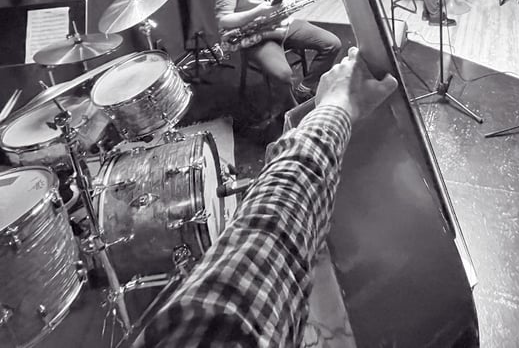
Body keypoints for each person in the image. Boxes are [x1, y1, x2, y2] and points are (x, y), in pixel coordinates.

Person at [133, 47, 398, 348]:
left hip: (278, 34)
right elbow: (261, 255)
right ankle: (298, 92)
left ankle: (302, 90)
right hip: (259, 42)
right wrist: (336, 107)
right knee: (287, 71)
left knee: (328, 42)